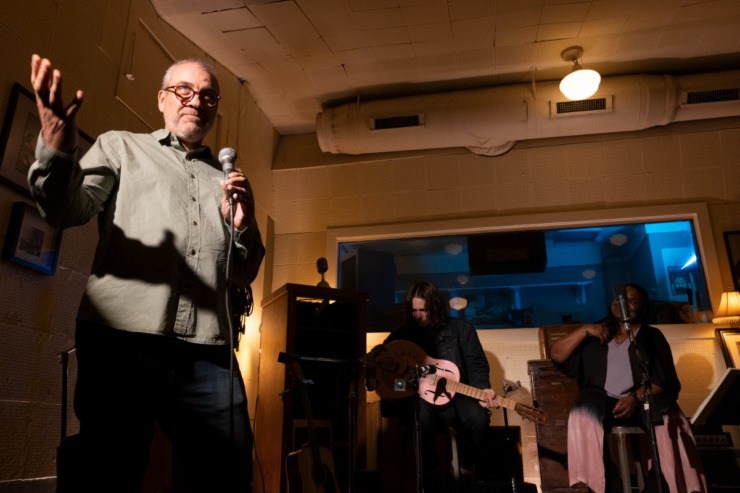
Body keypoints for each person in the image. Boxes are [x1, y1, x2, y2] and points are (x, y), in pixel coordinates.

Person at [28, 54, 265, 492]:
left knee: (226, 474)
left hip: (208, 352)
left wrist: (243, 226)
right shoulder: (121, 146)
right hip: (121, 342)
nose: (197, 100)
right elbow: (65, 210)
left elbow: (245, 271)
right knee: (109, 473)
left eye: (208, 95)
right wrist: (58, 151)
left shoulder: (228, 179)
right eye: (184, 90)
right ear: (161, 99)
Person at [549, 283, 706, 493]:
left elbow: (664, 380)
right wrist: (585, 329)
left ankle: (663, 484)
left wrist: (636, 397)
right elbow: (557, 354)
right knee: (582, 414)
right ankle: (602, 486)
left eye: (632, 301)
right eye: (619, 299)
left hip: (641, 399)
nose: (623, 304)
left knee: (668, 419)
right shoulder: (597, 333)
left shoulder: (652, 336)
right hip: (601, 398)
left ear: (642, 308)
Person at [368, 281, 499, 492]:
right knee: (419, 417)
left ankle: (468, 469)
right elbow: (390, 376)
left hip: (456, 396)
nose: (418, 316)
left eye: (423, 310)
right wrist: (402, 386)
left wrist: (482, 388)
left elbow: (476, 364)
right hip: (419, 401)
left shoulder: (461, 330)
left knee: (478, 417)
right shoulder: (401, 335)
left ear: (435, 307)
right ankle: (431, 475)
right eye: (414, 311)